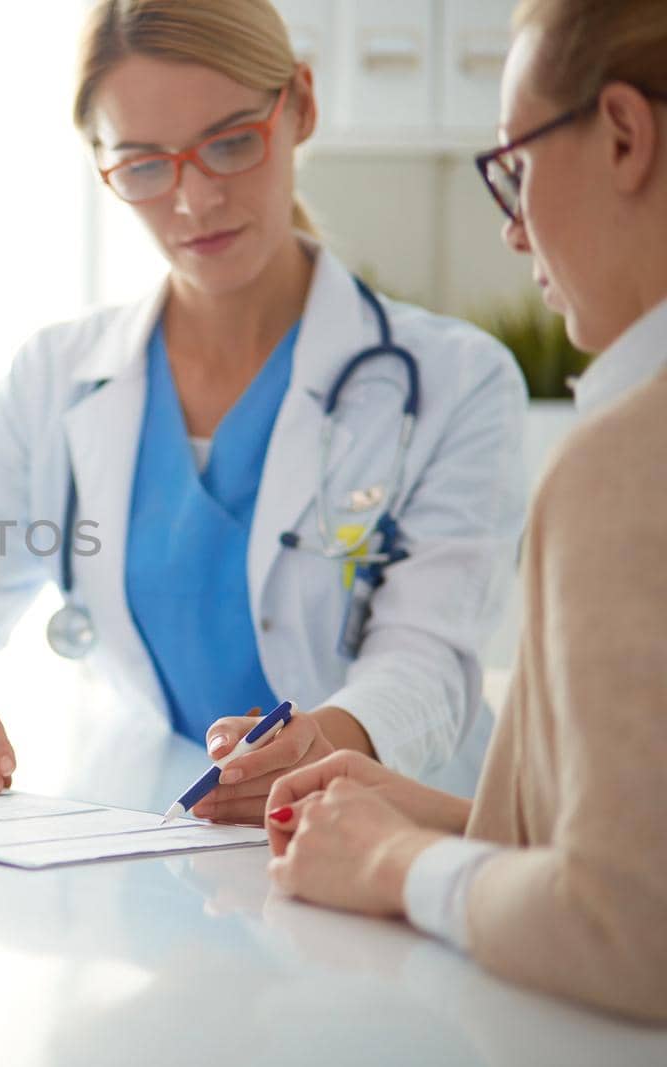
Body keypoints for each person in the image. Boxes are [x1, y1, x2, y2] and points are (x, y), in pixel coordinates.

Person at [0, 0, 528, 819]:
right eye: (142, 164)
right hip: (155, 855)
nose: (194, 201)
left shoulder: (458, 380)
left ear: (301, 106)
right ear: (101, 162)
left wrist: (326, 743)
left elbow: (429, 659)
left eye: (232, 143)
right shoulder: (54, 378)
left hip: (389, 845)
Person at [262, 0, 667, 1022]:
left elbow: (630, 920)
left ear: (624, 135)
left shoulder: (626, 460)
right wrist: (436, 815)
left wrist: (399, 861)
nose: (510, 224)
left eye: (516, 168)